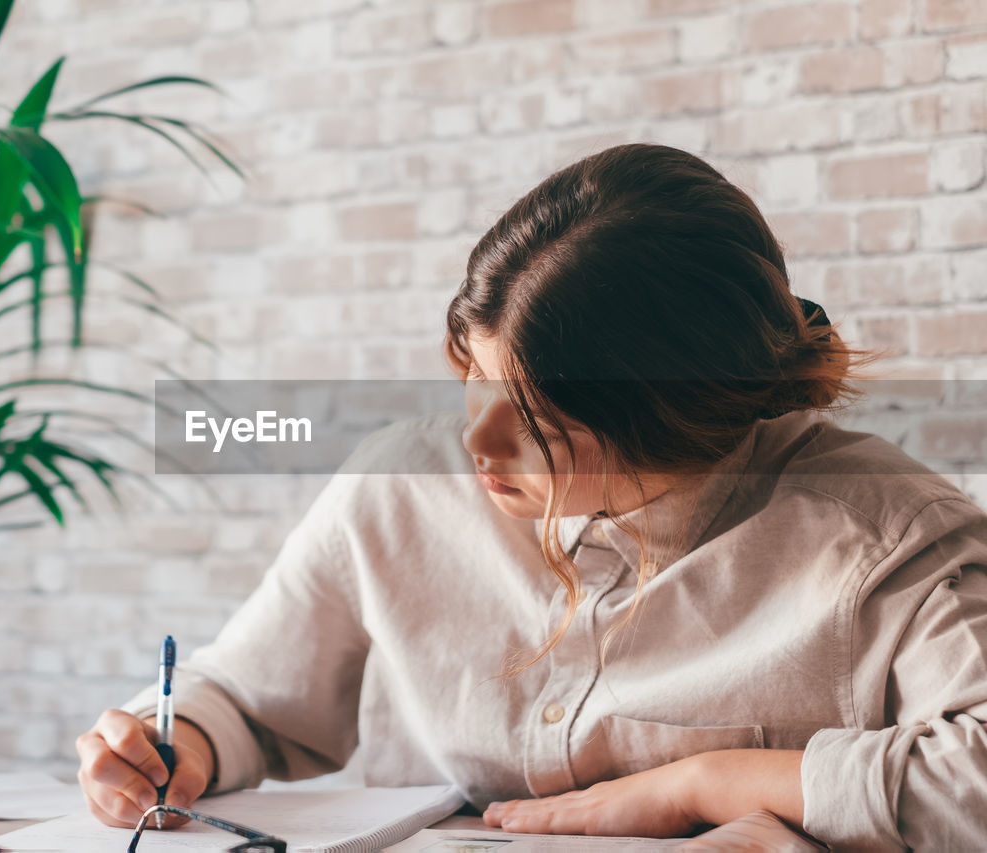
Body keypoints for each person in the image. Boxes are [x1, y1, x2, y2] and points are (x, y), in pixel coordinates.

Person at [74, 143, 987, 849]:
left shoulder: (882, 534)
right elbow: (245, 694)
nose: (476, 442)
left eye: (539, 417)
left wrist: (706, 782)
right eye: (473, 377)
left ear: (679, 416)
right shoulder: (401, 488)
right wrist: (177, 740)